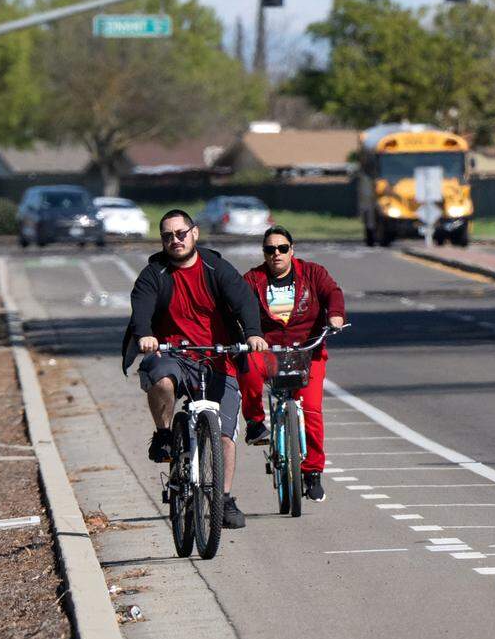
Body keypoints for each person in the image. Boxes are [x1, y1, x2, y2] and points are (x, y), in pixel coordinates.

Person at [121, 209, 268, 529]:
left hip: (218, 358)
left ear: (194, 233)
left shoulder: (217, 267)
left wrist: (253, 332)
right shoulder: (154, 273)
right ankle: (163, 435)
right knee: (160, 379)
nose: (174, 240)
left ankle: (224, 498)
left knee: (225, 436)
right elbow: (141, 305)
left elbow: (244, 299)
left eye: (180, 233)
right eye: (167, 236)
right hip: (173, 353)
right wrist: (145, 334)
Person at [239, 227, 346, 503]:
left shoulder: (313, 273)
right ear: (264, 253)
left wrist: (334, 316)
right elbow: (236, 305)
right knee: (247, 366)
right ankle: (255, 423)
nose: (276, 254)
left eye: (282, 248)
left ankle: (312, 472)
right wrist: (249, 335)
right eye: (270, 249)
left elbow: (332, 292)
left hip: (307, 353)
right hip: (269, 351)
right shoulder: (253, 279)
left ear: (292, 250)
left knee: (311, 410)